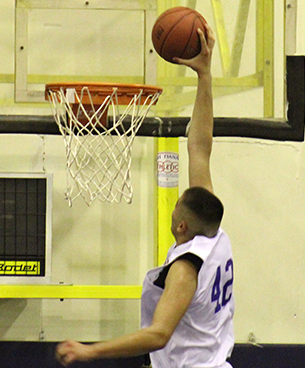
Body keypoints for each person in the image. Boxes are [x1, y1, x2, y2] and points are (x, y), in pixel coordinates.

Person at [56, 25, 234, 368]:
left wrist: (91, 350)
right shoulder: (214, 233)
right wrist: (204, 75)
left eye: (177, 205)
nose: (177, 202)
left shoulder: (185, 269)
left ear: (181, 226)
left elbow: (158, 335)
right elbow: (200, 147)